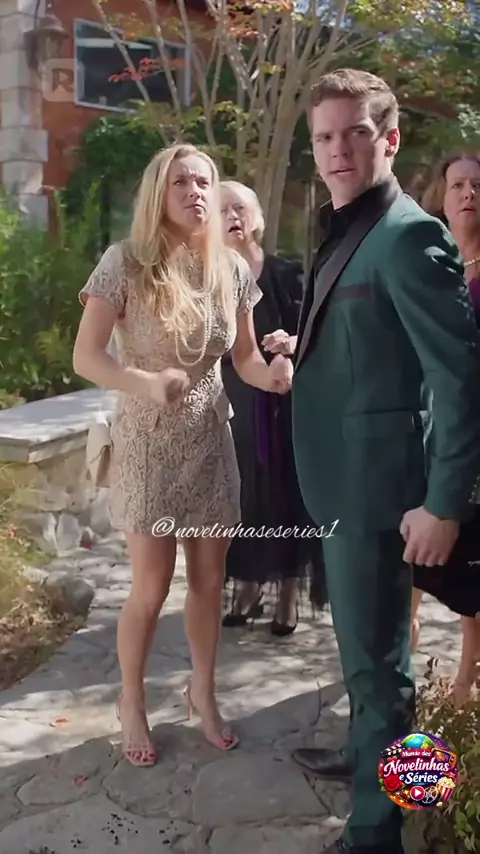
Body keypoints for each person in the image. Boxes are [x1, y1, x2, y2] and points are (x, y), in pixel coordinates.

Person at [265, 69, 480, 854]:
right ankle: (374, 764)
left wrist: (444, 503)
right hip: (340, 486)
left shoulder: (409, 235)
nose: (337, 150)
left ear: (388, 139)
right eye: (324, 137)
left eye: (355, 133)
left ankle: (376, 831)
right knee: (366, 661)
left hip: (383, 494)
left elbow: (460, 381)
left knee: (381, 671)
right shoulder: (345, 227)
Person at [72, 143, 292, 766]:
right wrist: (144, 382)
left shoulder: (232, 269)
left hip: (209, 442)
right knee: (150, 588)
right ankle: (132, 700)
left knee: (210, 581)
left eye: (203, 181)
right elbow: (86, 357)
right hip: (147, 442)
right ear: (158, 195)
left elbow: (244, 359)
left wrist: (275, 376)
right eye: (181, 183)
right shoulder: (125, 262)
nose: (196, 192)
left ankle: (203, 692)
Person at [219, 180, 328, 634]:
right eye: (223, 210)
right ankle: (248, 585)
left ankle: (287, 592)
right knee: (245, 497)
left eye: (240, 208)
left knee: (286, 496)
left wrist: (288, 347)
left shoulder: (285, 274)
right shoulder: (207, 277)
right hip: (234, 402)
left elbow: (315, 330)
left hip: (285, 403)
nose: (232, 217)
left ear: (257, 218)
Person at [411, 154, 480, 704]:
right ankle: (400, 643)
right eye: (458, 184)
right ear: (443, 194)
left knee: (471, 561)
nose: (468, 193)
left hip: (472, 426)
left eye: (478, 185)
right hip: (419, 424)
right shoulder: (428, 261)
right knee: (408, 548)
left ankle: (465, 680)